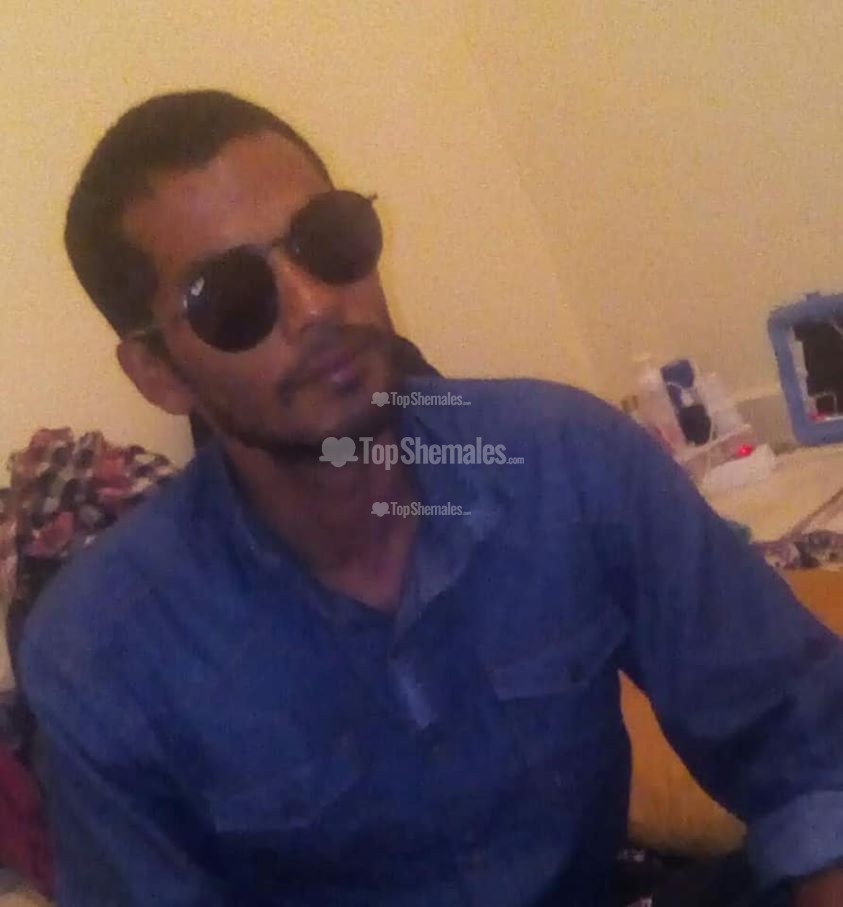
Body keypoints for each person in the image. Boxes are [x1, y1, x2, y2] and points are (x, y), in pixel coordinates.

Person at [20, 90, 843, 906]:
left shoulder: (565, 457)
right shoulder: (102, 652)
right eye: (231, 297)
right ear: (157, 373)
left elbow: (801, 740)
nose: (315, 304)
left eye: (328, 240)